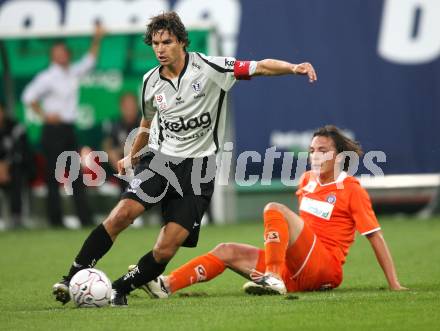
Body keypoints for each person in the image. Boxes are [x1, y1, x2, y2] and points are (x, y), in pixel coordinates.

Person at [51, 11, 318, 306]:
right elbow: (146, 122)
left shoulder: (211, 67)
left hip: (199, 169)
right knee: (122, 214)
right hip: (160, 160)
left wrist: (293, 68)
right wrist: (131, 155)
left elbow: (260, 67)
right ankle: (72, 276)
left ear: (181, 41)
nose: (160, 49)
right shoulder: (150, 81)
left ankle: (118, 289)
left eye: (166, 42)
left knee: (167, 248)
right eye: (154, 43)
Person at [140, 125, 407, 298]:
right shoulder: (306, 181)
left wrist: (393, 283)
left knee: (274, 209)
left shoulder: (351, 189)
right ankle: (167, 285)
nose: (315, 155)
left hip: (326, 268)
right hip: (297, 269)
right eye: (312, 150)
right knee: (225, 250)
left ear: (339, 157)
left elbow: (375, 236)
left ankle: (273, 277)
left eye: (322, 151)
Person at [22, 24, 105, 228]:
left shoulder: (71, 72)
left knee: (76, 174)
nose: (61, 56)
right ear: (52, 56)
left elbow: (89, 61)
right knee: (52, 175)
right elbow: (28, 96)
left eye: (63, 52)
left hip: (68, 129)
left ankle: (84, 218)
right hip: (52, 131)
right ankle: (55, 220)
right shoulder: (47, 77)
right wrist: (45, 115)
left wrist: (97, 39)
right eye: (57, 53)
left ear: (67, 54)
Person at [0, 103, 34, 228]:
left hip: (14, 169)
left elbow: (20, 151)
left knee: (17, 174)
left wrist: (5, 166)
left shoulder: (15, 127)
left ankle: (16, 217)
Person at [102, 92, 141, 191]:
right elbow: (107, 145)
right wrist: (112, 154)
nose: (130, 109)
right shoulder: (115, 125)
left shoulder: (143, 123)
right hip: (121, 166)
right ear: (121, 107)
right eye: (127, 106)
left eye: (132, 105)